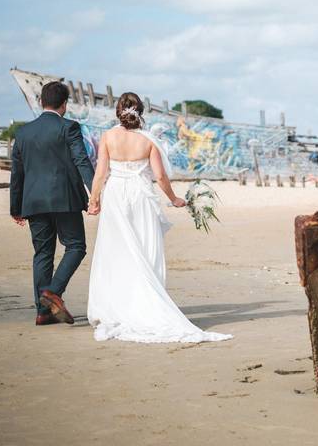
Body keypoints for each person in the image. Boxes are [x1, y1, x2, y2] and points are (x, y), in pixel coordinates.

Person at [86, 92, 231, 343]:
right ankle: (146, 300)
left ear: (118, 112)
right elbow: (160, 177)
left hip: (117, 195)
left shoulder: (108, 137)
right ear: (140, 112)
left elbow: (100, 174)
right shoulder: (148, 141)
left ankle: (115, 308)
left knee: (115, 250)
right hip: (141, 196)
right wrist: (174, 199)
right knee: (144, 248)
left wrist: (93, 200)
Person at [9, 81, 95, 326]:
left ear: (41, 102)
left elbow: (17, 173)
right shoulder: (69, 127)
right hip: (65, 199)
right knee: (76, 246)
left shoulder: (23, 132)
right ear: (65, 104)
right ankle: (53, 291)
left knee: (43, 254)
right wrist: (95, 192)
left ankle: (43, 312)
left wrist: (15, 207)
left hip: (33, 201)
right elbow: (81, 160)